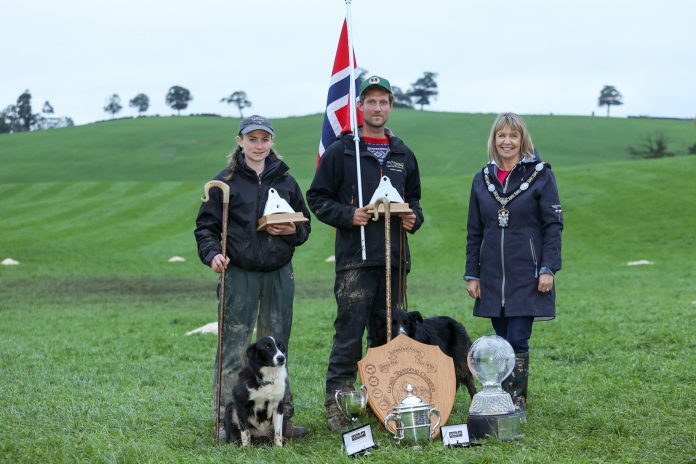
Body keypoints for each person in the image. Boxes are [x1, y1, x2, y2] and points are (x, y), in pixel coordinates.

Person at [306, 75, 424, 431]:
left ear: (391, 106)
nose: (377, 108)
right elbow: (317, 198)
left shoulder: (403, 153)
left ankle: (384, 402)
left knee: (387, 336)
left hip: (394, 260)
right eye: (370, 101)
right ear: (360, 107)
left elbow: (415, 199)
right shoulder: (343, 151)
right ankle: (339, 406)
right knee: (349, 334)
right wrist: (348, 215)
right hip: (356, 261)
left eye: (383, 101)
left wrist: (414, 219)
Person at [194, 115, 311, 441]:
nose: (259, 145)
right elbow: (206, 228)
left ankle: (280, 421)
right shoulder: (224, 182)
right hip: (239, 273)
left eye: (265, 139)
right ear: (240, 141)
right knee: (233, 348)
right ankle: (227, 421)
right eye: (252, 139)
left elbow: (304, 227)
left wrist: (292, 230)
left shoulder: (286, 181)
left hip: (277, 273)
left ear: (272, 142)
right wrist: (212, 254)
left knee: (276, 350)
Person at [464, 112, 563, 419]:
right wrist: (473, 273)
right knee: (502, 338)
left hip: (527, 274)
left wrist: (548, 267)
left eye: (513, 136)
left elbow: (553, 225)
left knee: (518, 338)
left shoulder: (541, 175)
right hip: (492, 276)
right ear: (494, 140)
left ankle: (515, 401)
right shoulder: (482, 179)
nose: (507, 141)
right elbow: (474, 230)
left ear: (523, 140)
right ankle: (500, 396)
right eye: (501, 136)